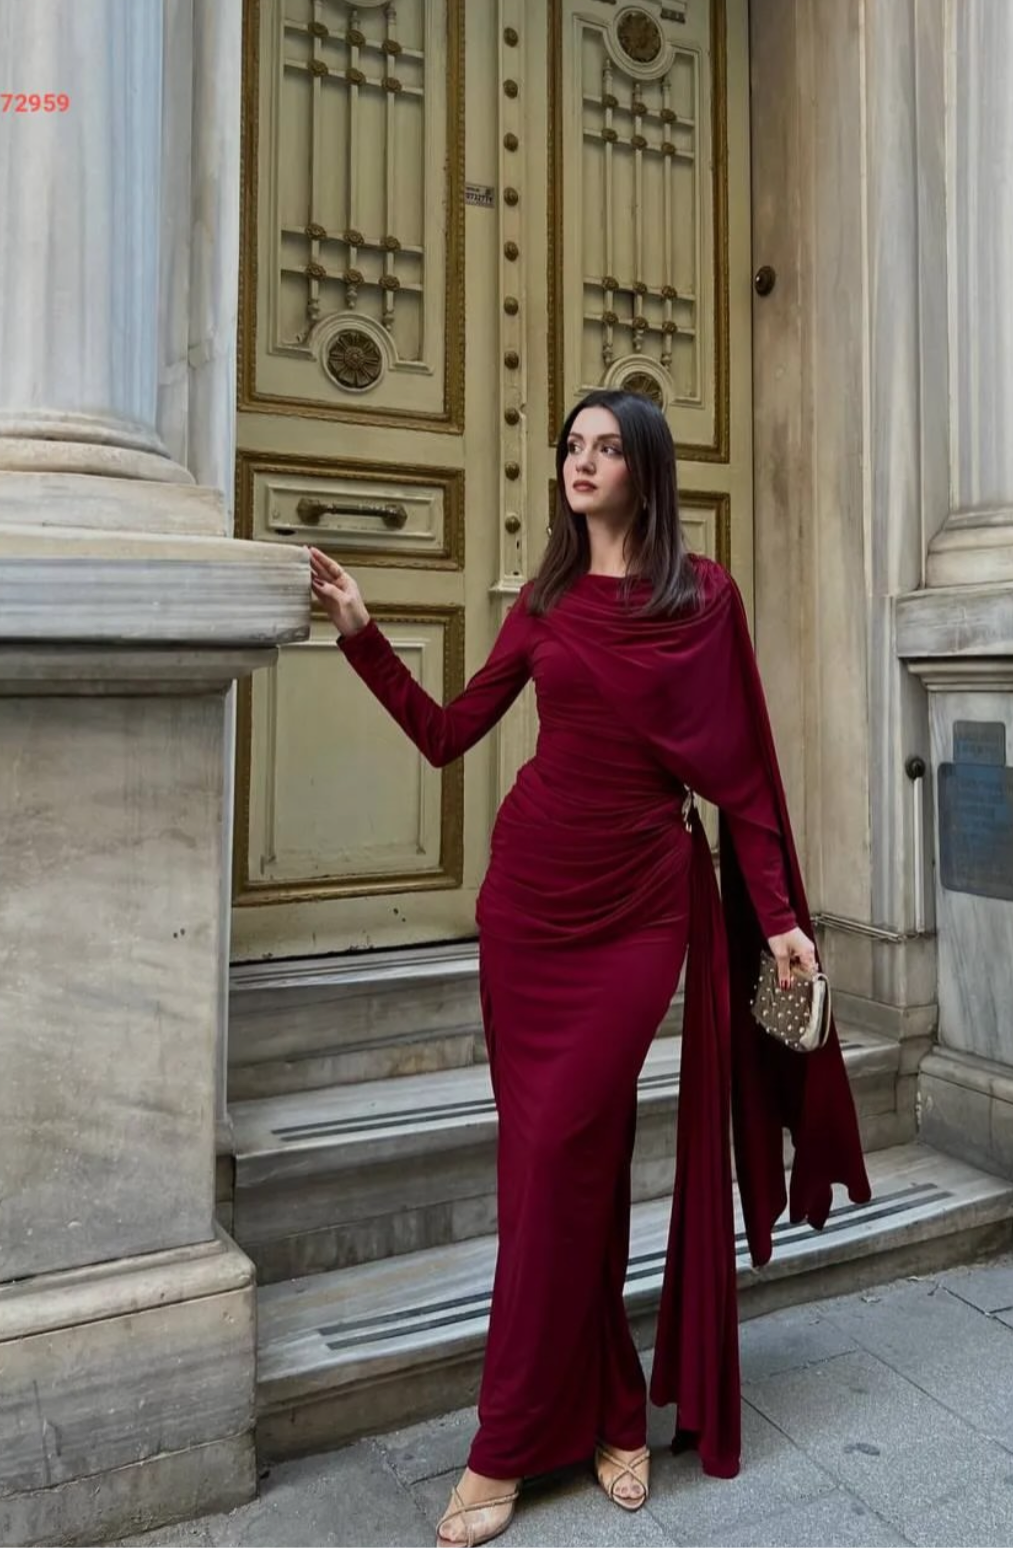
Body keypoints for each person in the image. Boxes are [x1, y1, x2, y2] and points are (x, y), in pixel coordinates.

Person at [310, 389, 870, 1547]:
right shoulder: (546, 599)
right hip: (529, 903)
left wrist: (777, 918)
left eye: (606, 447)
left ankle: (507, 1443)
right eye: (573, 445)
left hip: (635, 910)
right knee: (558, 1164)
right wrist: (362, 630)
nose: (582, 460)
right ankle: (604, 1410)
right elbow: (449, 731)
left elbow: (746, 778)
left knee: (572, 1146)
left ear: (645, 468)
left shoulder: (702, 598)